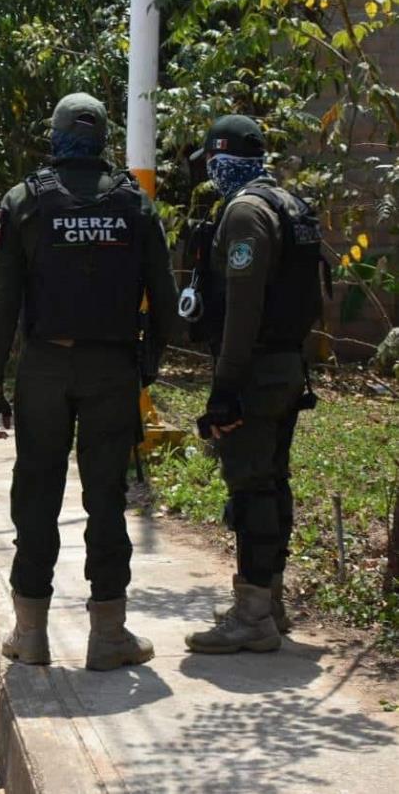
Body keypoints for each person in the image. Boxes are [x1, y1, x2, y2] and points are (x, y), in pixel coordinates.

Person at [0, 93, 180, 671]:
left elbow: (5, 304)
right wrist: (151, 364)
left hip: (43, 367)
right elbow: (165, 302)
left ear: (56, 135)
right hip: (112, 369)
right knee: (107, 501)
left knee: (36, 496)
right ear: (103, 139)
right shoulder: (135, 204)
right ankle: (109, 635)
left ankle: (31, 633)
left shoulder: (22, 203)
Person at [182, 115, 325, 654]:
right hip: (285, 367)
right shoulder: (289, 204)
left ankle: (252, 617)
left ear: (223, 158)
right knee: (272, 481)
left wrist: (225, 389)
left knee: (250, 487)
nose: (210, 171)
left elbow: (243, 309)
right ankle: (270, 599)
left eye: (212, 161)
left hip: (256, 370)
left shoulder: (245, 212)